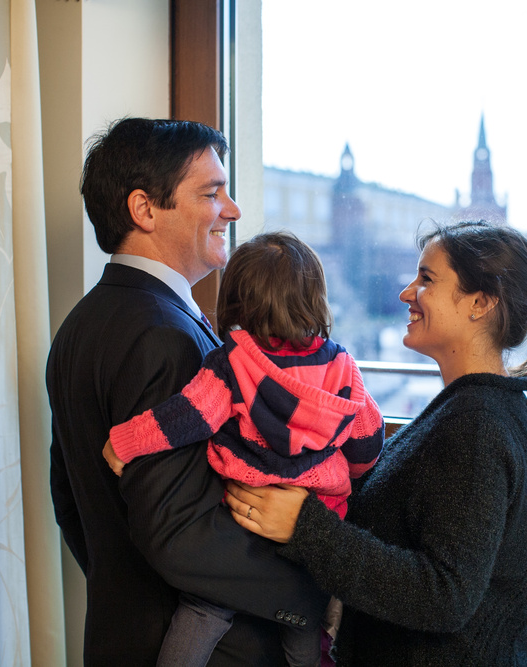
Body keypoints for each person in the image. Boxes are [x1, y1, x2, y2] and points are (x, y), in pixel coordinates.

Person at [225, 220, 527, 666]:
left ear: (480, 303)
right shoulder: (470, 407)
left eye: (427, 279)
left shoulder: (478, 426)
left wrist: (305, 527)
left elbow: (445, 595)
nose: (406, 293)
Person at [47, 118, 326, 667]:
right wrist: (309, 594)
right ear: (145, 210)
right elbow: (179, 533)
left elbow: (70, 502)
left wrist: (129, 596)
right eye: (210, 193)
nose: (233, 209)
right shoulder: (164, 337)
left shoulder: (80, 324)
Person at [102, 231, 385, 667]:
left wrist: (124, 442)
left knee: (204, 609)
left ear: (236, 299)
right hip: (315, 521)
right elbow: (367, 441)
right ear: (315, 299)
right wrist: (353, 473)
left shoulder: (232, 364)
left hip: (241, 519)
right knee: (304, 622)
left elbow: (184, 419)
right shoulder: (343, 367)